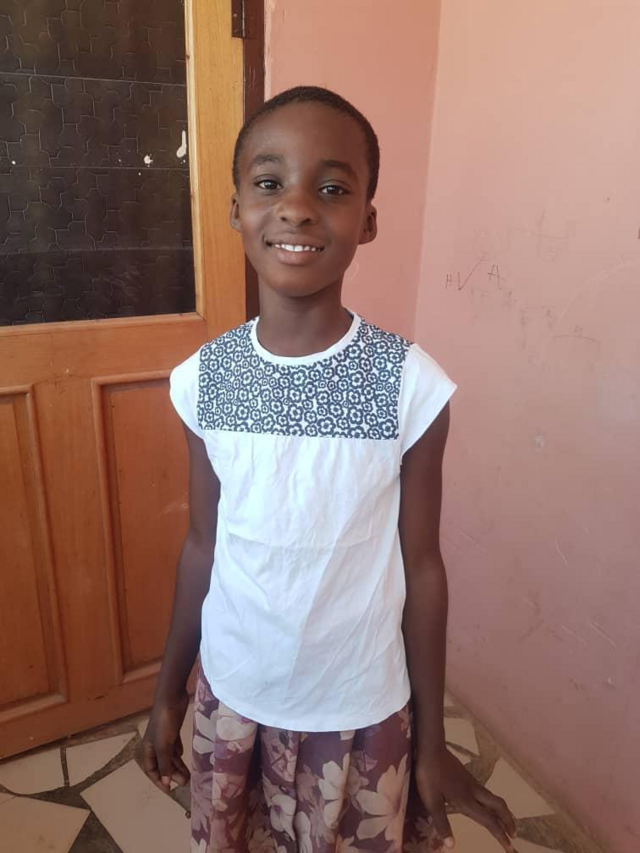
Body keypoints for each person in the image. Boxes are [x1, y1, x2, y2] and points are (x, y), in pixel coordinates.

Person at [141, 86, 517, 853]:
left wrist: (433, 741)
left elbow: (423, 567)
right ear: (236, 208)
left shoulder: (410, 386)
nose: (297, 208)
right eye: (269, 182)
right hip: (233, 694)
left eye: (333, 188)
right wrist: (167, 692)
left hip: (359, 709)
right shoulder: (203, 380)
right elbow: (204, 545)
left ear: (368, 220)